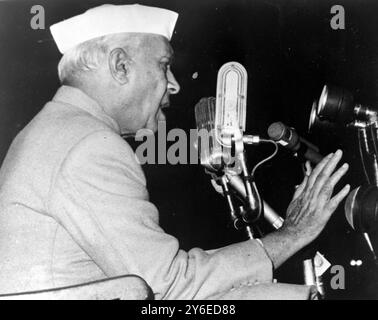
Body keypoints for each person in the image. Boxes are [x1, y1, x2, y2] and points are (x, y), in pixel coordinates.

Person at [0, 4, 350, 299]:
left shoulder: (55, 129)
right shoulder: (89, 145)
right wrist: (291, 236)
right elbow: (169, 286)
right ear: (120, 66)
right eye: (163, 65)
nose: (174, 84)